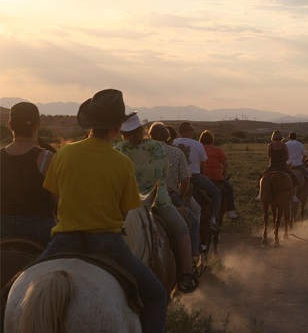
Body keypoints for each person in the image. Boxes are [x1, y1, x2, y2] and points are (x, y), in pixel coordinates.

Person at [38, 89, 167, 333]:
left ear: (90, 124)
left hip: (63, 240)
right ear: (117, 127)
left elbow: (55, 200)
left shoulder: (64, 153)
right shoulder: (122, 163)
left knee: (16, 284)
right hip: (108, 244)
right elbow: (124, 213)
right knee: (156, 296)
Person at [114, 114, 198, 294]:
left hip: (125, 205)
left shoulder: (116, 150)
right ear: (141, 131)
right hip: (158, 201)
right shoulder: (157, 147)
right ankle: (186, 274)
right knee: (182, 230)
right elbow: (165, 172)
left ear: (122, 134)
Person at [1, 102, 55, 247]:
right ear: (37, 124)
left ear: (10, 125)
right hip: (39, 227)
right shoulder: (46, 158)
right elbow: (57, 200)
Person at [148, 122, 202, 263]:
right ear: (167, 136)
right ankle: (192, 260)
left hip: (140, 197)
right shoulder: (176, 152)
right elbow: (185, 180)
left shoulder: (142, 150)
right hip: (168, 196)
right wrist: (180, 196)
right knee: (192, 223)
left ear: (150, 135)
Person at [173, 122, 222, 231]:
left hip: (176, 177)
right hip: (194, 176)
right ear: (186, 131)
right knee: (216, 192)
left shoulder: (173, 143)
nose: (193, 131)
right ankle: (213, 219)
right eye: (191, 129)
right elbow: (203, 163)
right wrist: (201, 173)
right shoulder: (197, 144)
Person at [198, 130, 239, 220]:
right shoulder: (217, 150)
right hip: (217, 177)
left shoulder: (198, 149)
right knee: (229, 190)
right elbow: (225, 164)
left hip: (202, 177)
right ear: (212, 140)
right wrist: (224, 174)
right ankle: (230, 210)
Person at [256, 130, 299, 203]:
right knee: (295, 179)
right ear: (280, 137)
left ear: (273, 137)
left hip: (272, 165)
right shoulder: (284, 145)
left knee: (261, 178)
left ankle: (260, 195)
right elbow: (287, 157)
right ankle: (294, 196)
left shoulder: (270, 145)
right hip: (283, 166)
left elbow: (269, 156)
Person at [285, 131, 308, 198]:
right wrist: (301, 161)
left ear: (289, 137)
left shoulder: (285, 144)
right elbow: (304, 155)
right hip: (298, 165)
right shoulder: (299, 144)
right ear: (296, 137)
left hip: (288, 165)